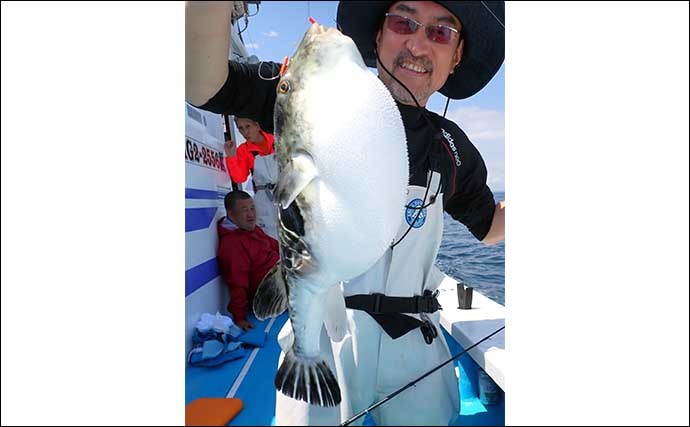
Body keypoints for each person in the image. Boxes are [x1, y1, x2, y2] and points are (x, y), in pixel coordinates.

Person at [187, 1, 505, 424]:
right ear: (377, 35)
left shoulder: (452, 149)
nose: (417, 43)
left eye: (440, 32)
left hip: (415, 340)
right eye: (402, 22)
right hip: (323, 324)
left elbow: (488, 227)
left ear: (457, 55)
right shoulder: (304, 92)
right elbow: (202, 82)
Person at [217, 190, 279, 332]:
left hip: (280, 276)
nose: (251, 215)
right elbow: (237, 283)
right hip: (268, 294)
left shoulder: (251, 230)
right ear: (230, 214)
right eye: (244, 210)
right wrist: (239, 318)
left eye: (252, 208)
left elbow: (275, 245)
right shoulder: (233, 245)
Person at [223, 116, 279, 240]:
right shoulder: (243, 150)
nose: (245, 132)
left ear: (257, 125)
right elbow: (239, 178)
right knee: (270, 236)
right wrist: (232, 157)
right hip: (264, 199)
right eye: (240, 129)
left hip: (286, 190)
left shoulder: (276, 139)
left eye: (248, 126)